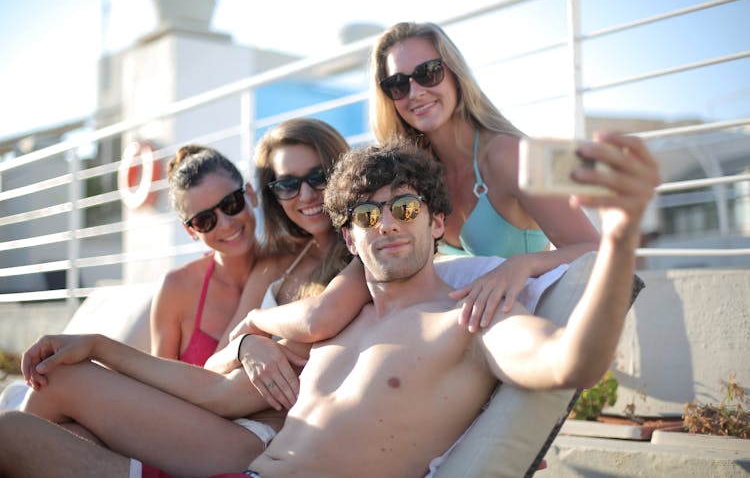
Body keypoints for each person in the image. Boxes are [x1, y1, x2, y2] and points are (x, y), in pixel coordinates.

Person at [0, 131, 660, 477]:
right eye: (368, 216)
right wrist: (99, 349)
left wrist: (623, 237)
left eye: (405, 208)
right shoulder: (340, 322)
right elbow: (220, 396)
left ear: (435, 222)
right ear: (349, 236)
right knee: (13, 434)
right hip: (235, 472)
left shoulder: (472, 314)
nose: (387, 225)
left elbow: (570, 363)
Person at [2, 118, 352, 476]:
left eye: (318, 177)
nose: (306, 195)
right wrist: (246, 343)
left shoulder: (352, 271)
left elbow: (223, 394)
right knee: (45, 432)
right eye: (288, 184)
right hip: (217, 424)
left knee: (52, 389)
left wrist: (98, 346)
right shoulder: (282, 263)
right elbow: (219, 363)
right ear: (272, 191)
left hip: (255, 442)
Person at [369, 21, 602, 331]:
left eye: (428, 73)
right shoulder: (412, 173)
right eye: (398, 84)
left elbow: (597, 250)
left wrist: (523, 265)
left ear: (455, 75)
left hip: (530, 334)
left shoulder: (513, 154)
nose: (415, 92)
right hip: (458, 337)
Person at [151, 145, 260, 366]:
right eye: (205, 220)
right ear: (190, 230)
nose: (226, 225)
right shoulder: (176, 288)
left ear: (250, 194)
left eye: (231, 204)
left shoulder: (290, 266)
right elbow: (159, 385)